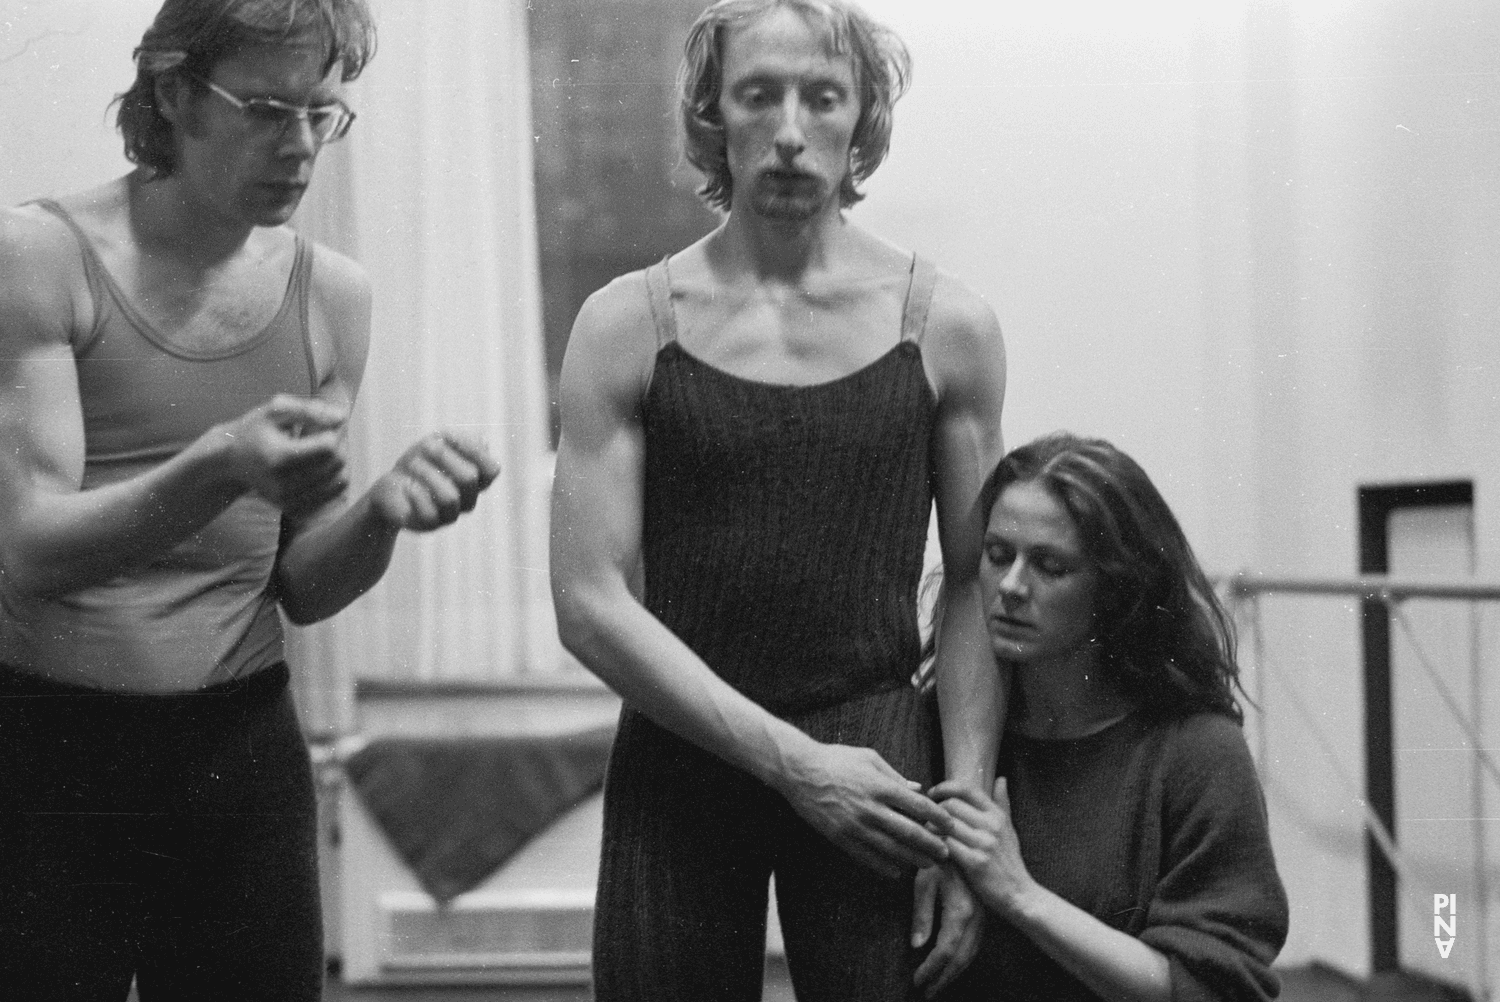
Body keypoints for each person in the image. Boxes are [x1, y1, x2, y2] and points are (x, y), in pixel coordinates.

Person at [0, 1, 499, 998]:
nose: (303, 145)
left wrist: (381, 516)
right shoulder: (38, 257)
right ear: (175, 92)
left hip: (237, 748)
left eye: (323, 113)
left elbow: (304, 585)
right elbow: (32, 549)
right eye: (269, 110)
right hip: (50, 746)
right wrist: (222, 461)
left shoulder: (333, 294)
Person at [549, 1, 1008, 998]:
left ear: (863, 119)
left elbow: (975, 581)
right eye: (760, 95)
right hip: (683, 748)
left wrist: (970, 822)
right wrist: (797, 765)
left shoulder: (948, 327)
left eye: (823, 97)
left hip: (879, 752)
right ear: (715, 115)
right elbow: (588, 604)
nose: (792, 129)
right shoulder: (627, 325)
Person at [928, 433, 1290, 1002]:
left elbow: (1219, 987)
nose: (1013, 587)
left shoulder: (1196, 751)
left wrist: (1020, 895)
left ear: (1116, 585)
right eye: (998, 556)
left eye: (1050, 566)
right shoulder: (942, 727)